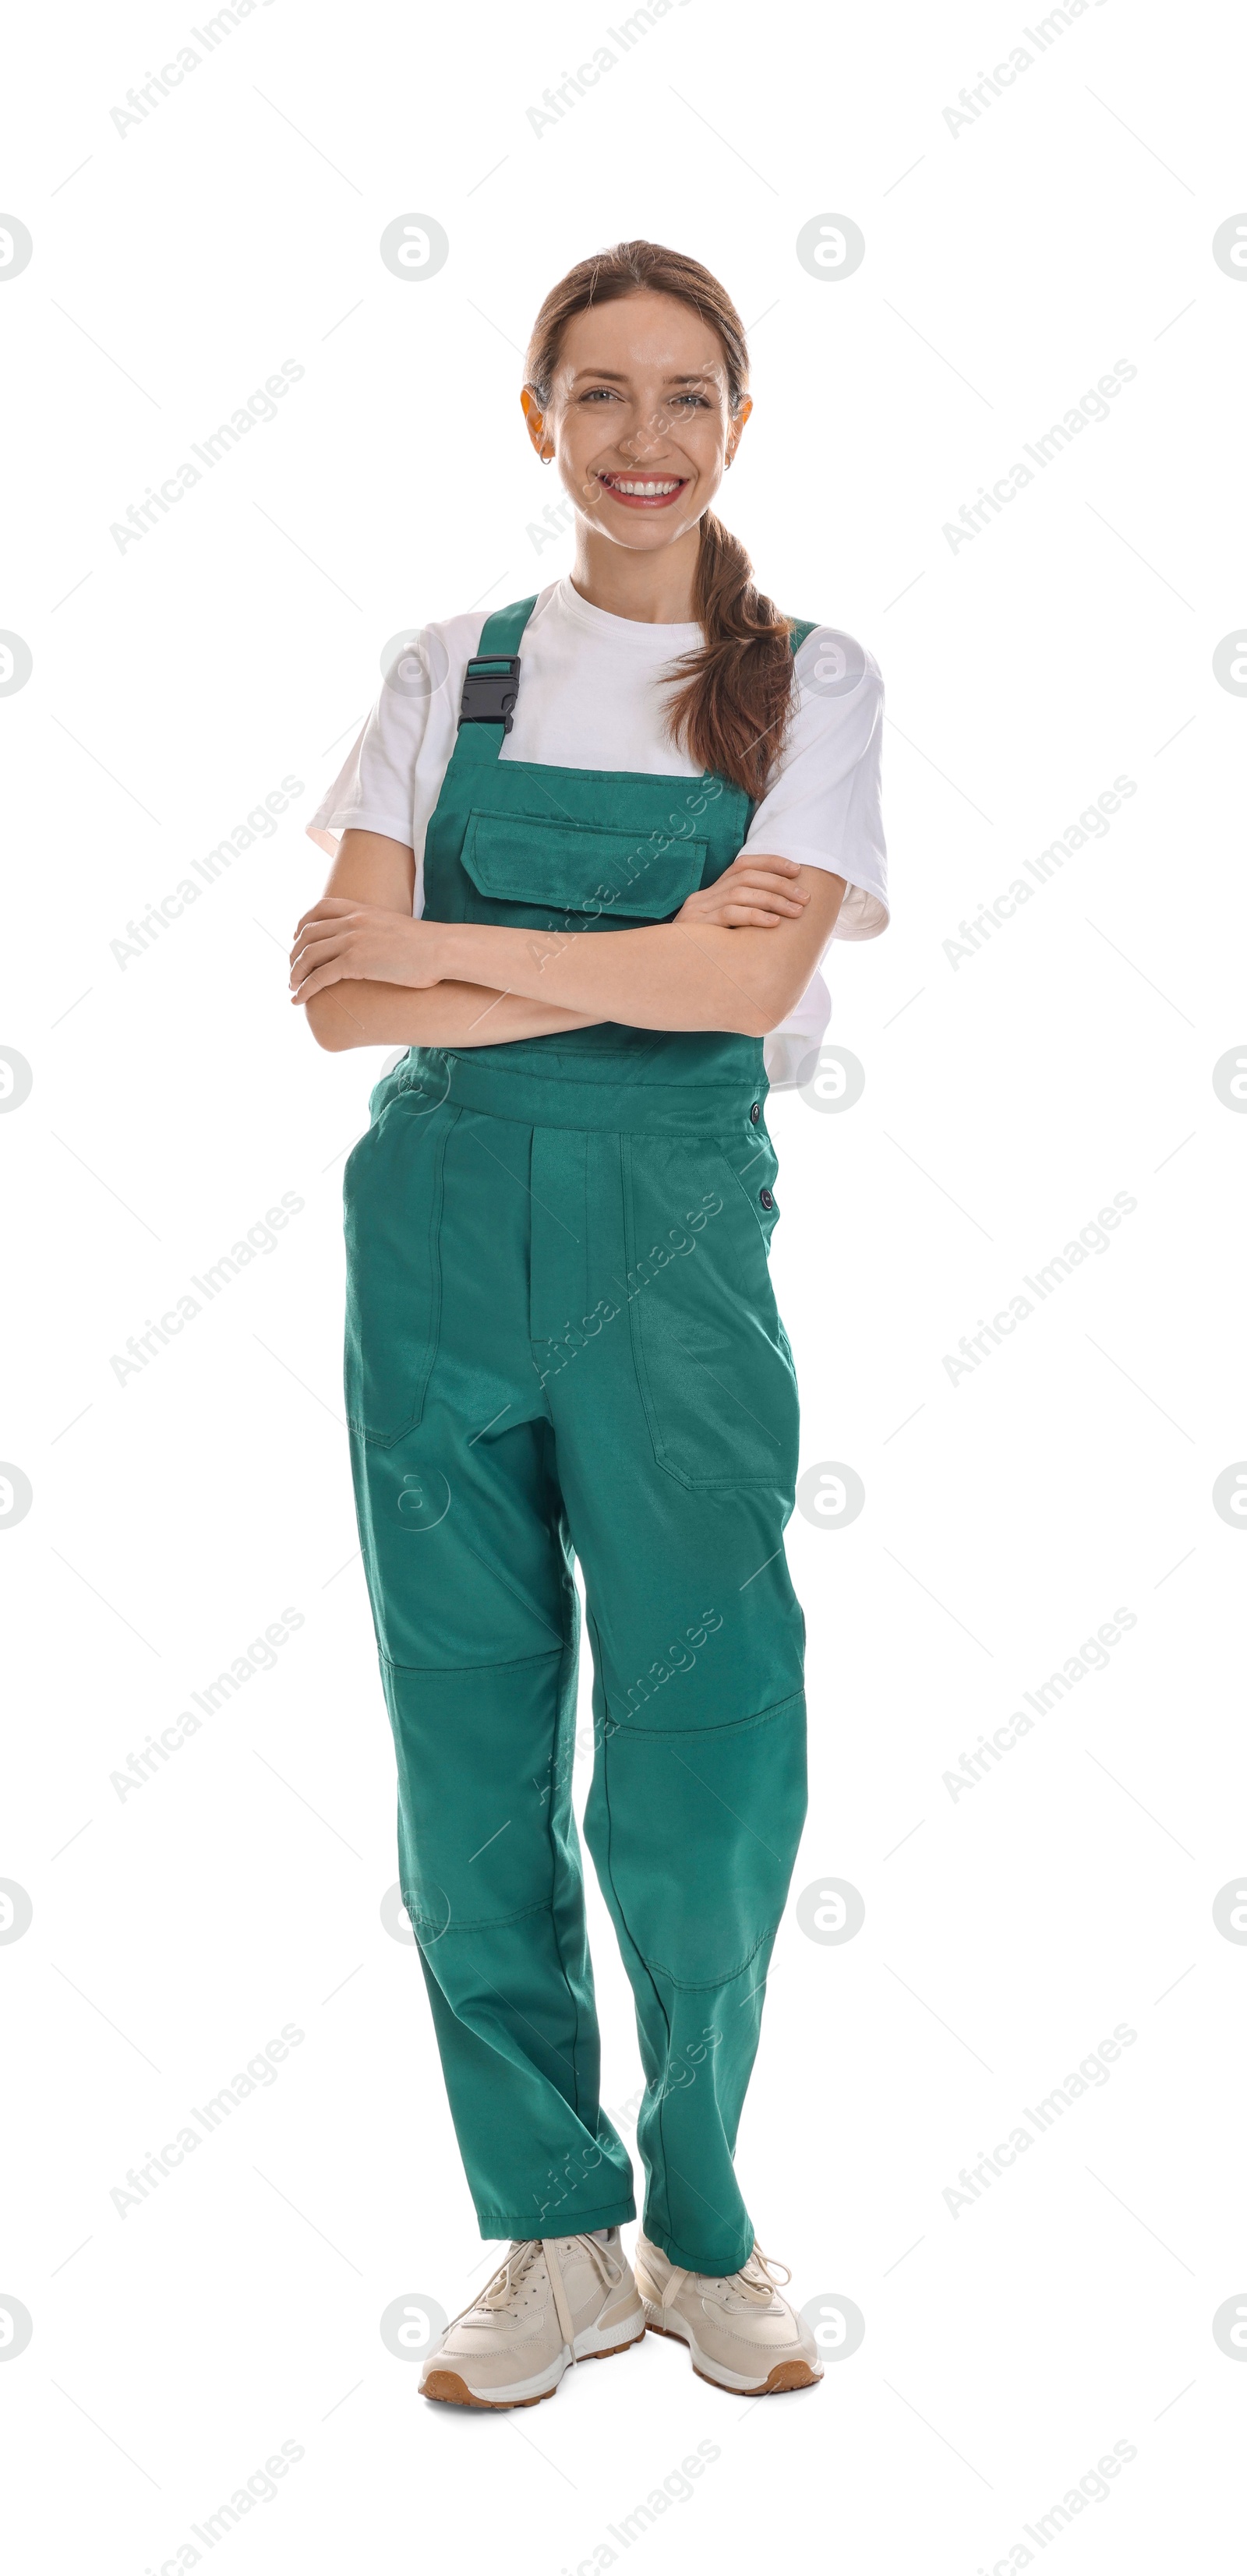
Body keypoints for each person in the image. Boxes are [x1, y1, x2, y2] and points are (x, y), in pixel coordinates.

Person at [292, 238, 888, 2409]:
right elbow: (333, 992)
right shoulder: (440, 670)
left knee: (712, 1736)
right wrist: (628, 951)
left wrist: (476, 950)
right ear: (535, 418)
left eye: (689, 398)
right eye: (601, 394)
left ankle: (703, 2218)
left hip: (673, 1259)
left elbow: (743, 992)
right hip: (431, 1232)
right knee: (465, 1745)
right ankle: (550, 2231)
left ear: (738, 427)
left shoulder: (811, 681)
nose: (646, 440)